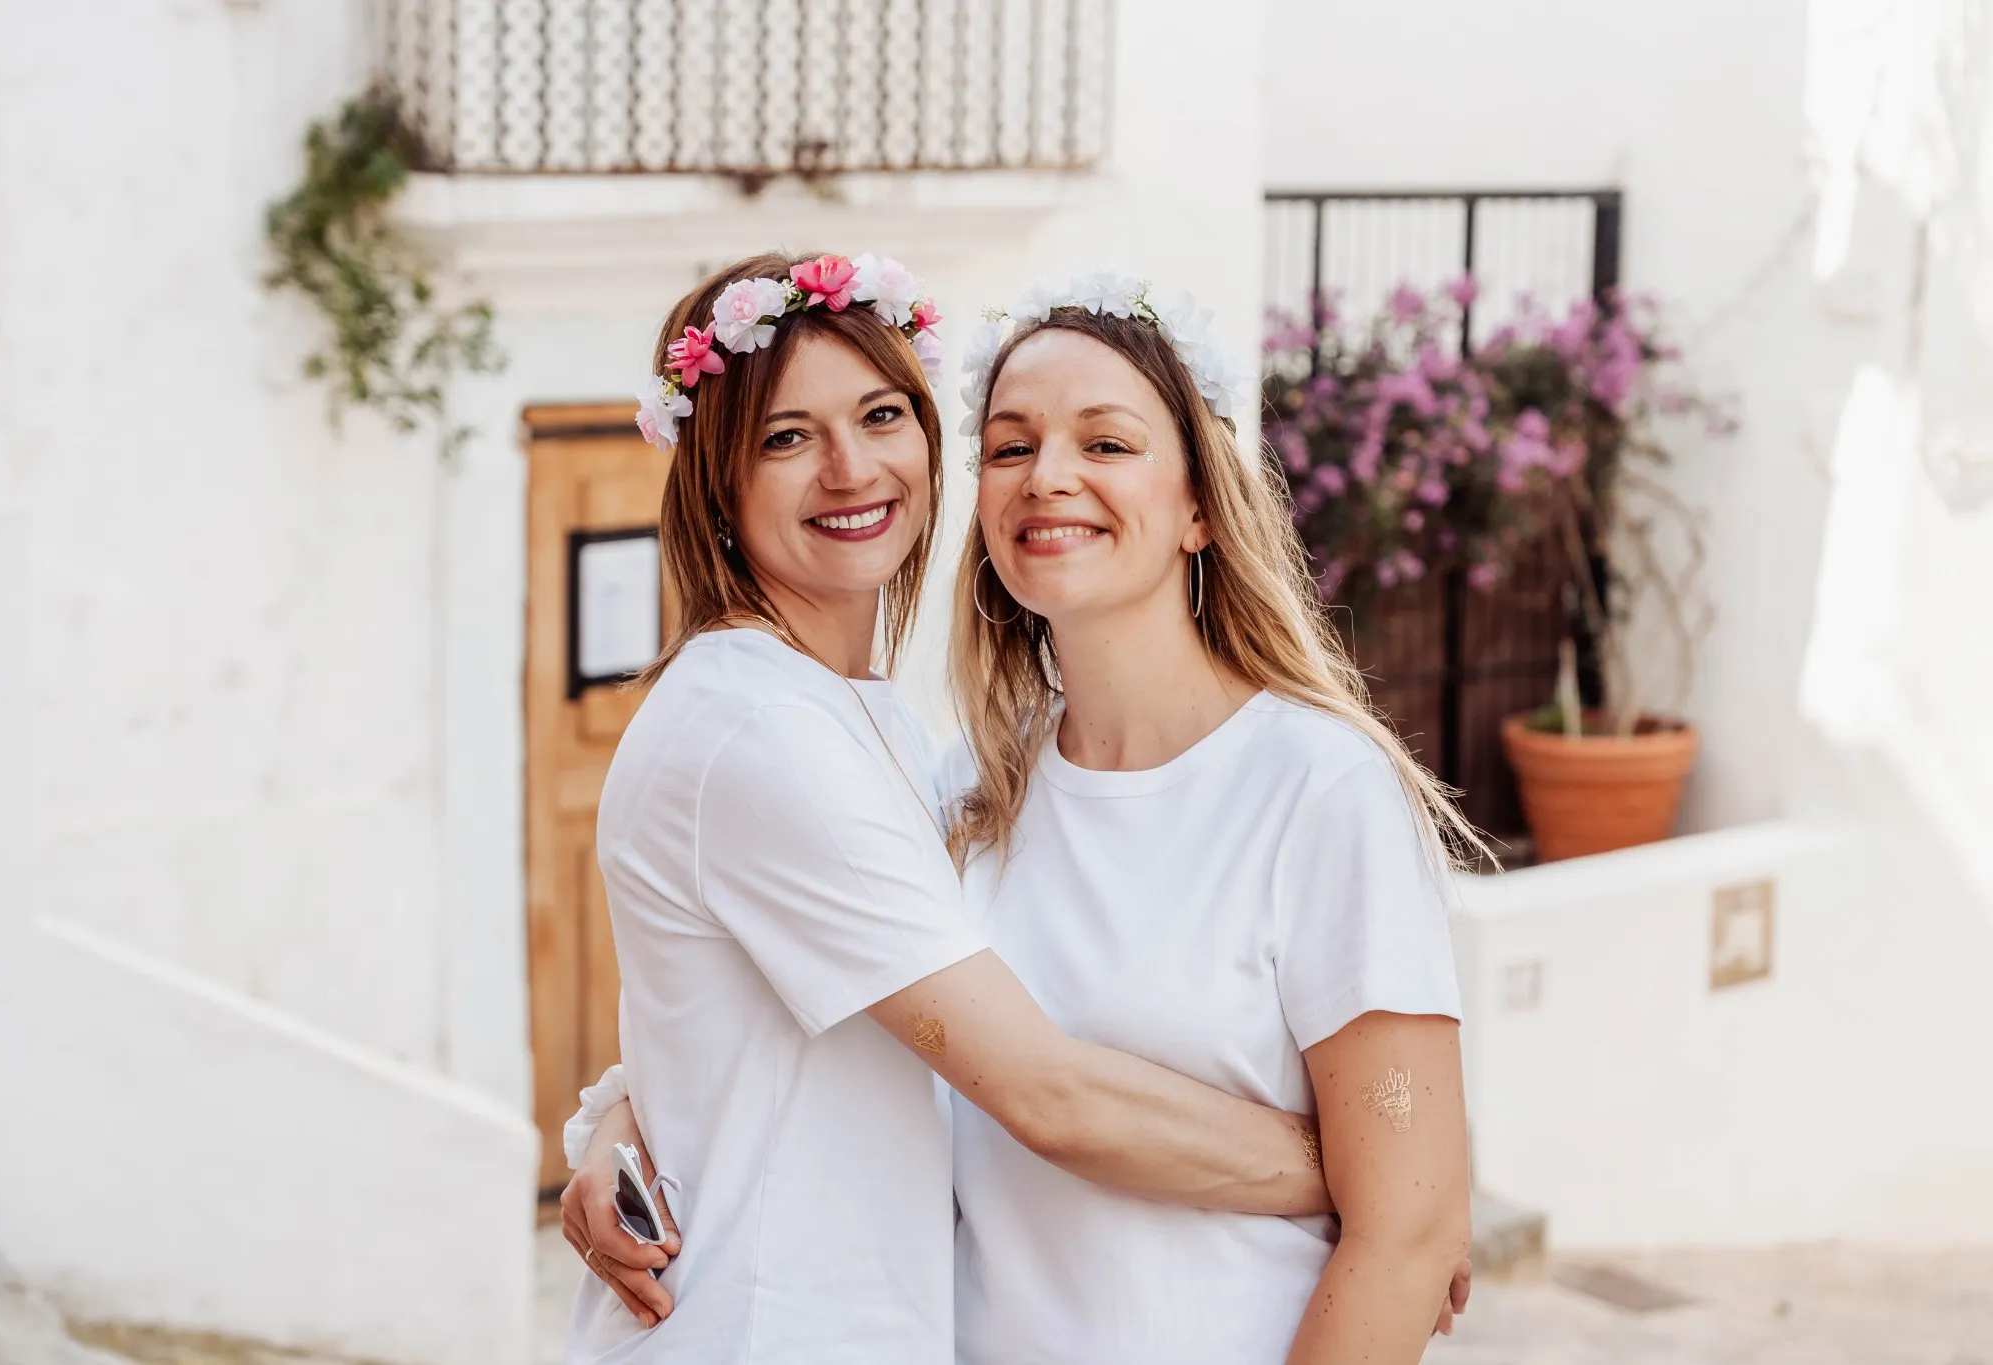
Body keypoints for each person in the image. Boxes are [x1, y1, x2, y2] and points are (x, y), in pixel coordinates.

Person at [556, 251, 1341, 1365]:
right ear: (716, 485)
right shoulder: (761, 730)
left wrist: (622, 1120)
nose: (848, 468)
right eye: (785, 438)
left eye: (882, 415)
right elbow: (1042, 1091)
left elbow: (751, 1028)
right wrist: (1376, 1182)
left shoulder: (882, 734)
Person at [944, 272, 1480, 1365]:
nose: (1048, 477)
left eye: (1105, 444)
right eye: (1009, 447)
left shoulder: (1316, 792)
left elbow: (1408, 1233)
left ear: (1197, 506)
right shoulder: (962, 794)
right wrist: (623, 1114)